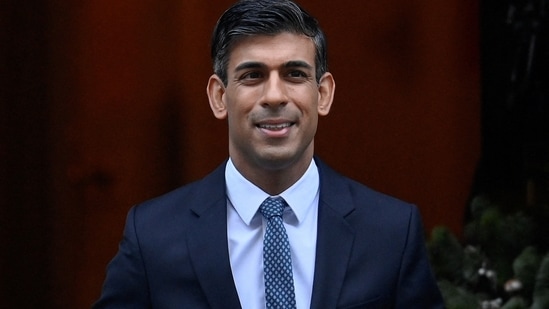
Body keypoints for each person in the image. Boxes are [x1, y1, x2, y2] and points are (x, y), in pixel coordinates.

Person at [93, 0, 445, 308]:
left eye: (294, 74)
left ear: (323, 94)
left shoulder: (390, 233)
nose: (274, 96)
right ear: (219, 97)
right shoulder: (153, 236)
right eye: (253, 75)